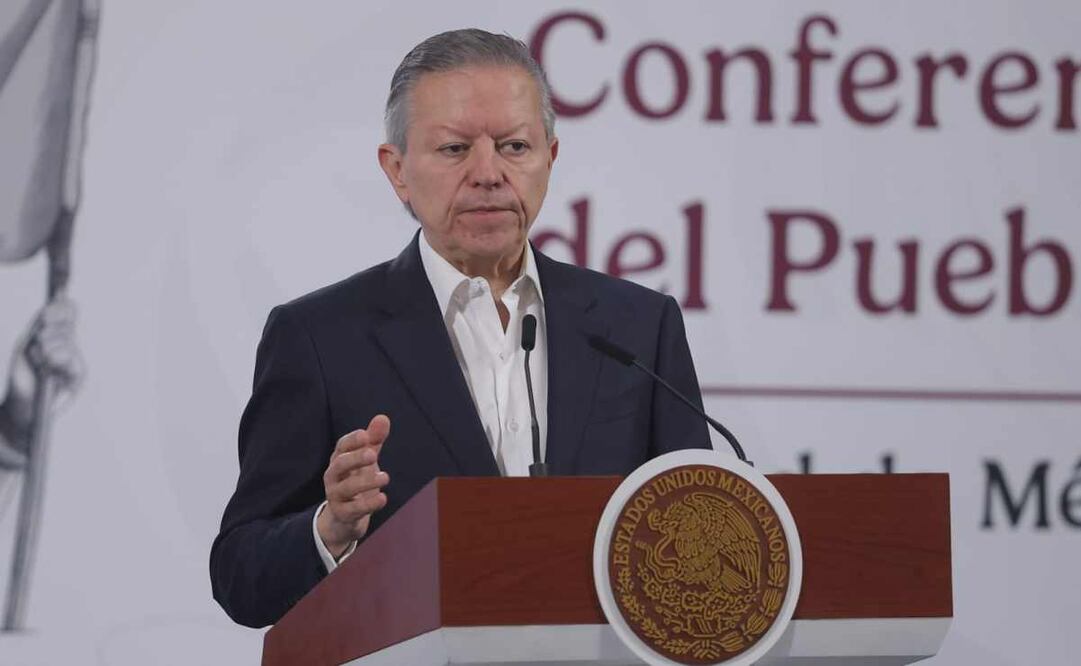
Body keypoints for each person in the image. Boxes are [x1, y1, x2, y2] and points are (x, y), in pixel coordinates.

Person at [210, 28, 711, 628]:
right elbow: (240, 574)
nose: (488, 173)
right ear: (396, 170)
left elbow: (700, 522)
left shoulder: (638, 327)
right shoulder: (318, 338)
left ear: (550, 160)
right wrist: (330, 527)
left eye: (514, 147)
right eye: (453, 149)